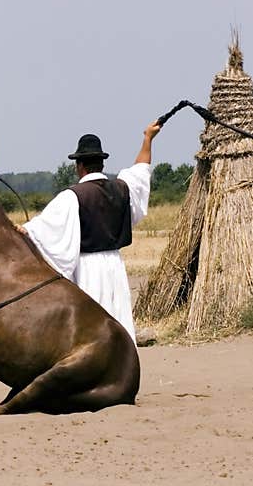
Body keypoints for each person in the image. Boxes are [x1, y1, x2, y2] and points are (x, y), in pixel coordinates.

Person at [16, 122, 161, 342]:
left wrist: (23, 230)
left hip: (88, 271)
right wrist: (148, 138)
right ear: (101, 164)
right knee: (117, 323)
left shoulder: (73, 196)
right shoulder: (123, 189)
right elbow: (141, 170)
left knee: (91, 332)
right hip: (116, 266)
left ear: (79, 165)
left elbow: (43, 228)